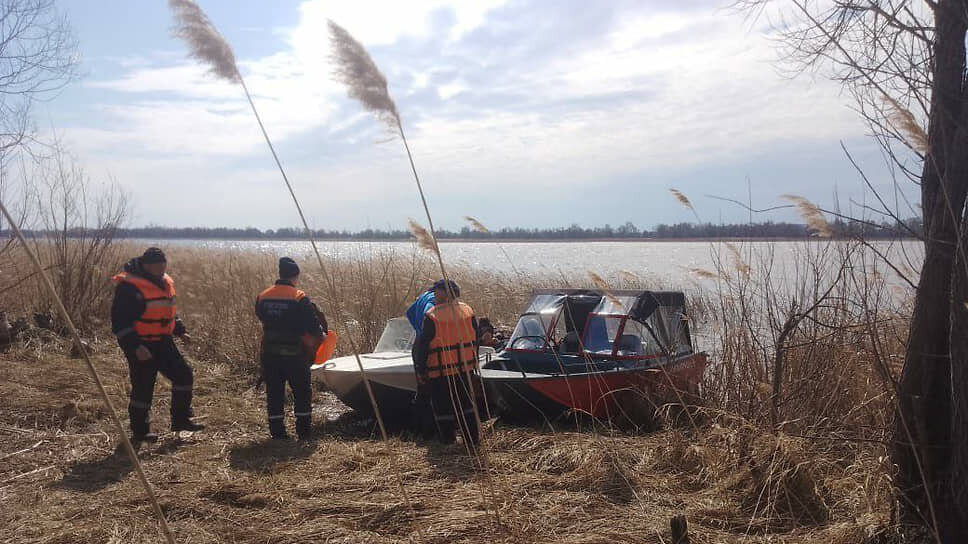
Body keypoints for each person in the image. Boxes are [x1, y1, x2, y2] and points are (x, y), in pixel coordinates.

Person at [111, 247, 204, 443]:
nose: (161, 268)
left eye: (164, 264)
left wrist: (180, 330)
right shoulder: (129, 287)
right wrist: (136, 346)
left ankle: (180, 420)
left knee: (184, 375)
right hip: (140, 344)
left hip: (163, 341)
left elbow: (167, 311)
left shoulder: (165, 282)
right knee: (143, 387)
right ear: (146, 265)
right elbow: (120, 322)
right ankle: (140, 432)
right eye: (157, 265)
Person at [255, 257, 324, 440]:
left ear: (280, 274)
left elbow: (262, 317)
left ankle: (278, 433)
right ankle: (303, 432)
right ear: (296, 275)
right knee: (302, 392)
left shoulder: (263, 296)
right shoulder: (299, 297)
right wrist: (319, 337)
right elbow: (314, 326)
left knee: (275, 394)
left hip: (270, 354)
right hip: (295, 355)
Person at [413, 279, 480, 447]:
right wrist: (474, 360)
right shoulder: (467, 311)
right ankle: (472, 441)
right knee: (467, 406)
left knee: (443, 408)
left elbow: (423, 345)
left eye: (436, 291)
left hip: (440, 372)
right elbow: (476, 339)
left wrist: (421, 370)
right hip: (464, 369)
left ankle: (448, 442)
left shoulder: (432, 316)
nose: (434, 294)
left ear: (445, 293)